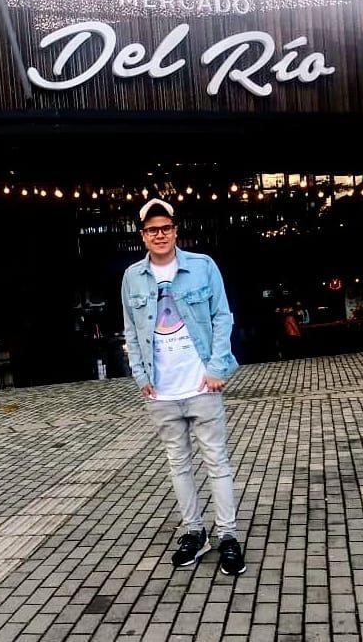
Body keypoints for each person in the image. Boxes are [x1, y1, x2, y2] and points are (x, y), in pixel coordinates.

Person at [121, 198, 246, 576]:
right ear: (143, 236)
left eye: (165, 228)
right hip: (161, 392)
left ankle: (228, 535)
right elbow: (130, 330)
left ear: (175, 231)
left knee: (216, 462)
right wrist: (141, 377)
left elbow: (222, 316)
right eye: (152, 230)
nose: (159, 235)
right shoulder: (132, 277)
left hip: (202, 385)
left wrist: (217, 368)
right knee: (178, 465)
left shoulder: (202, 266)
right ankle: (195, 531)